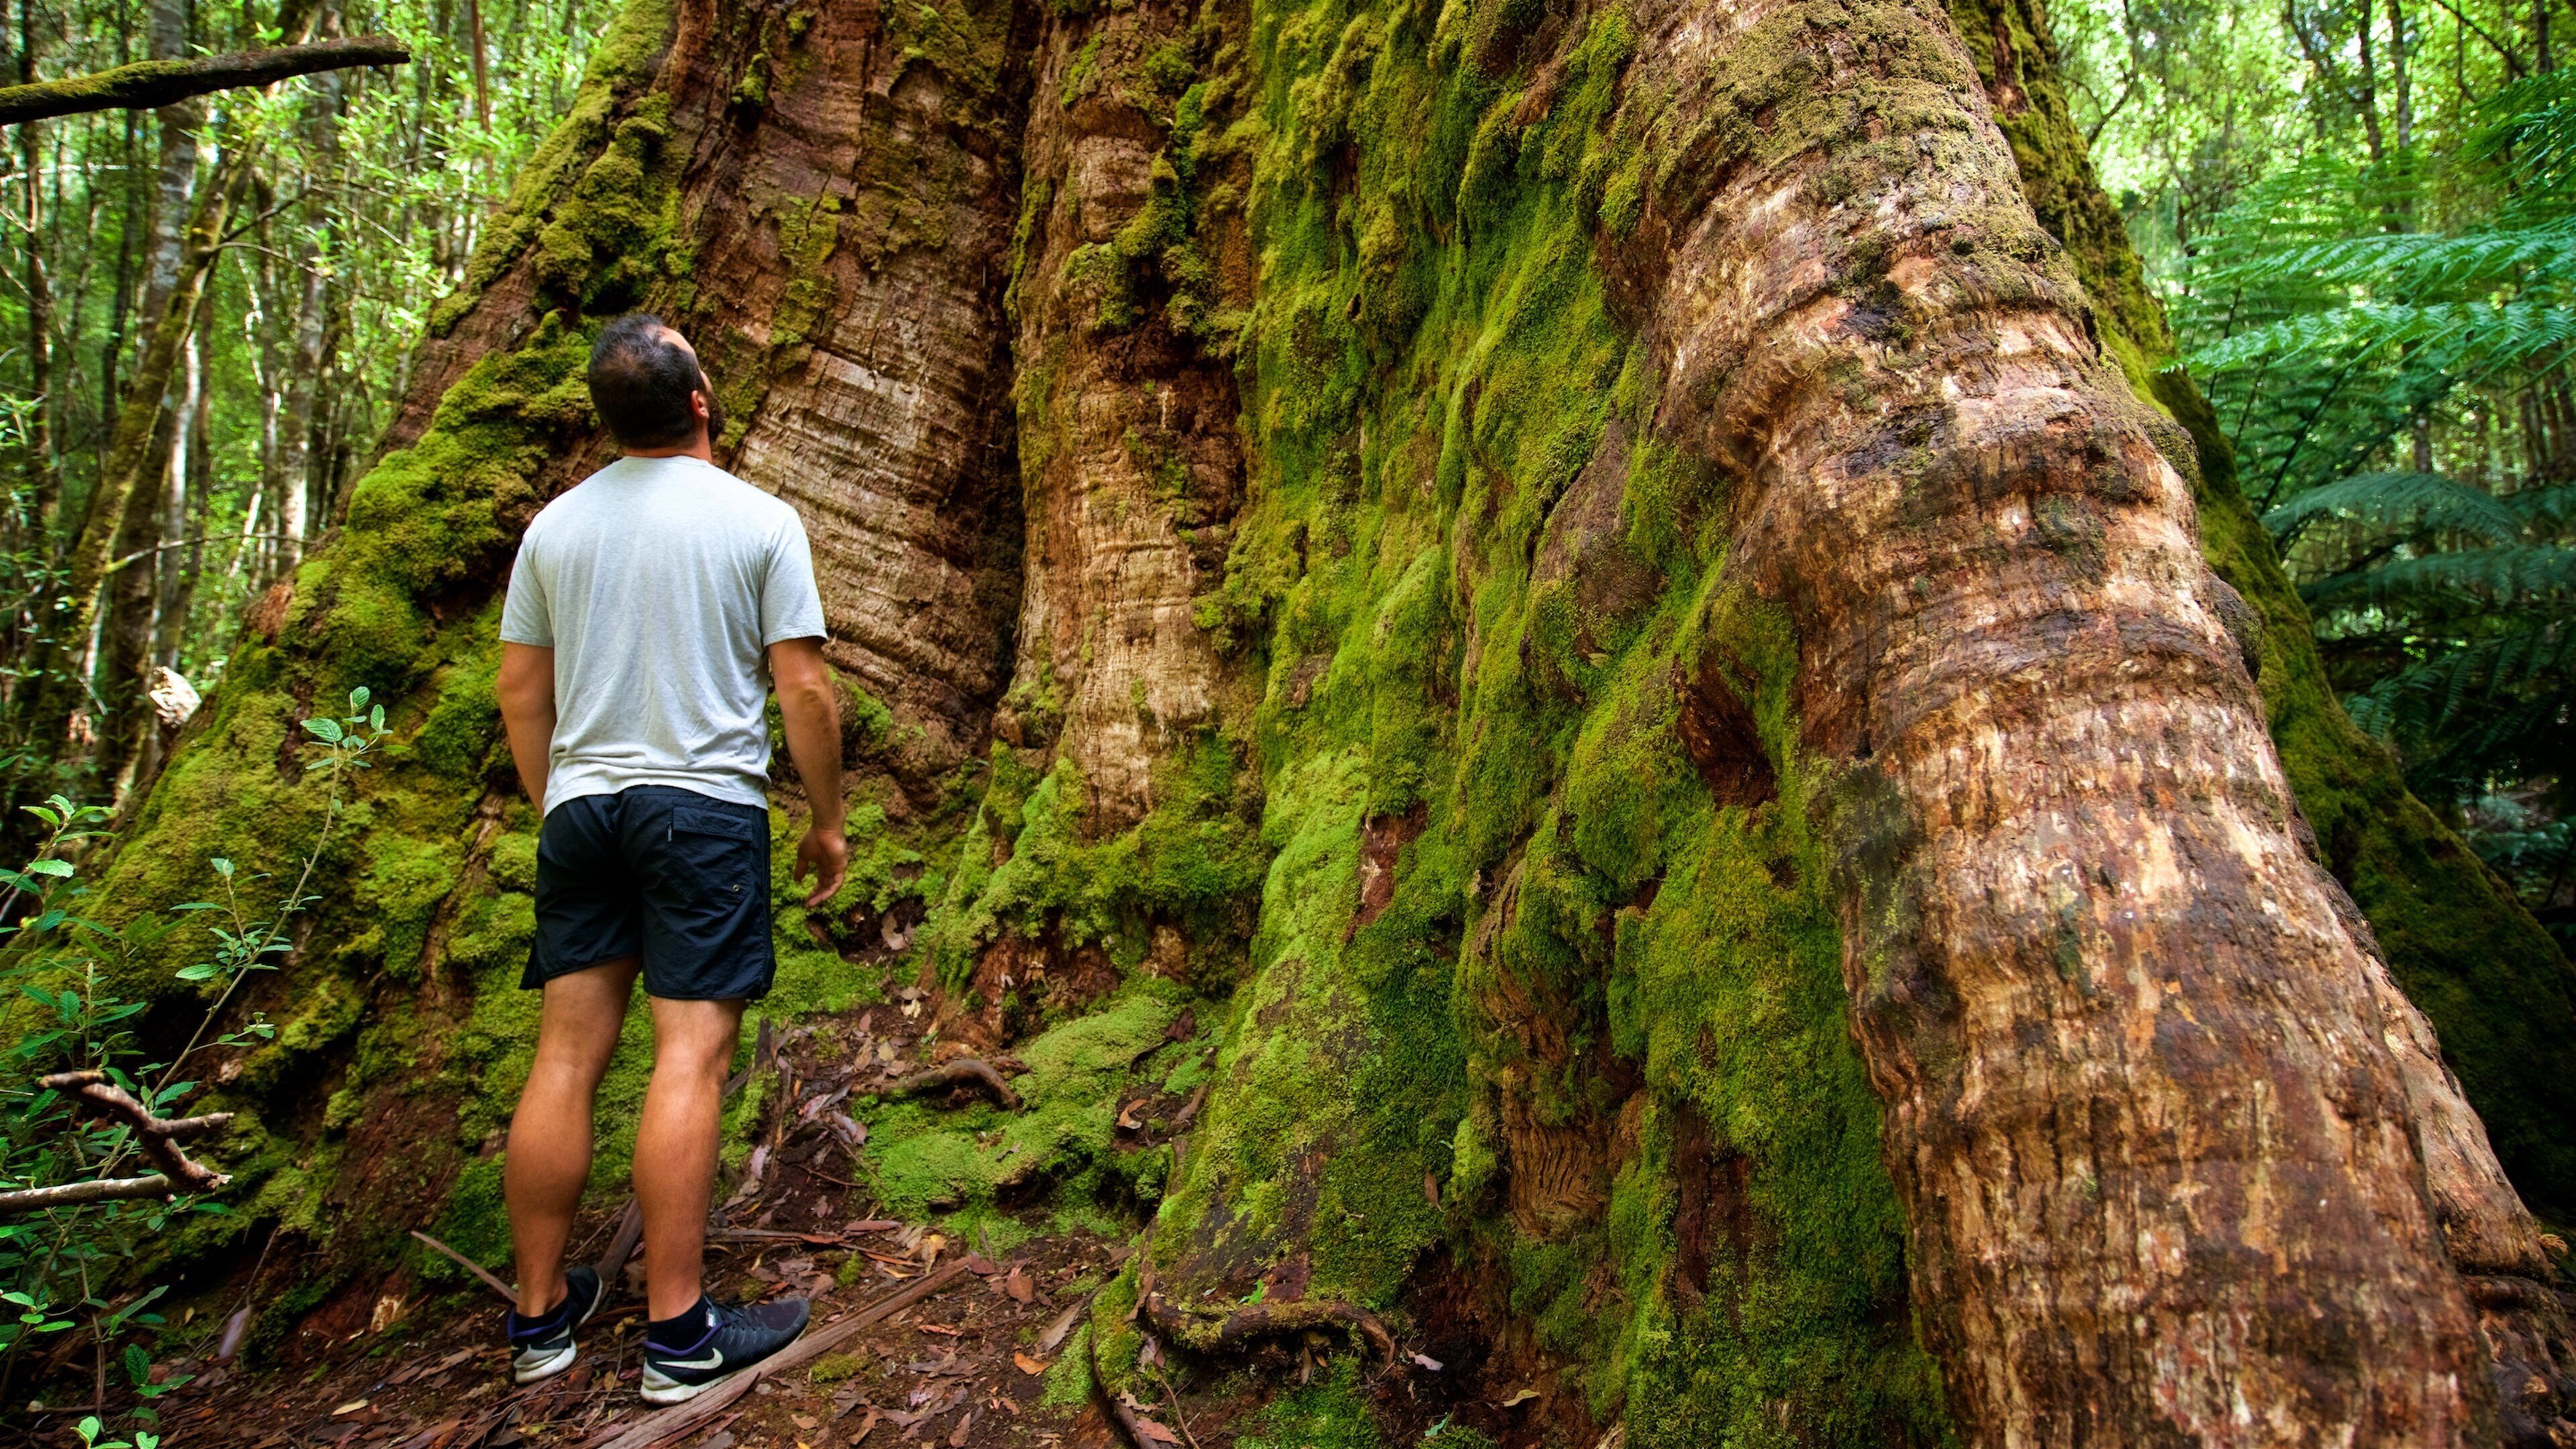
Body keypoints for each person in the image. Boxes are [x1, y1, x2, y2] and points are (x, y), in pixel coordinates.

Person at [492, 314, 849, 1404]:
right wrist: (825, 820)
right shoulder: (759, 519)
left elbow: (519, 691)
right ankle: (679, 1335)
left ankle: (541, 1318)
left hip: (583, 808)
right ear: (699, 400)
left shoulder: (555, 528)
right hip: (700, 808)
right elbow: (806, 688)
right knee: (687, 1054)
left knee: (565, 1056)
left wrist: (560, 802)